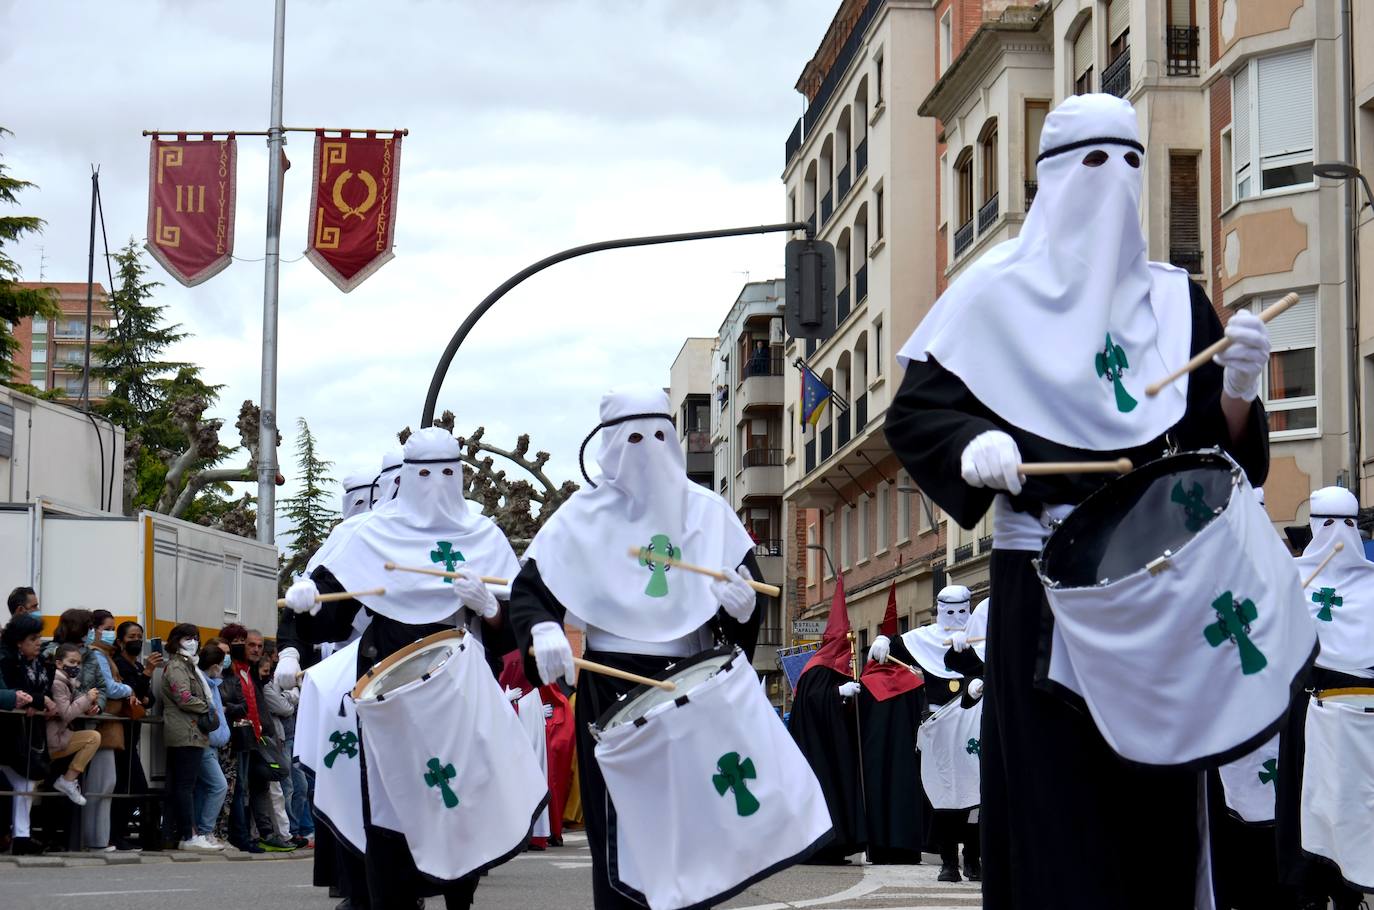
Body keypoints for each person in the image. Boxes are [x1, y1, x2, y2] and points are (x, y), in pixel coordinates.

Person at [883, 93, 1270, 909]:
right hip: (1046, 590)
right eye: (1093, 162)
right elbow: (917, 412)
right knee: (1056, 804)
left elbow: (1214, 453)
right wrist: (969, 444)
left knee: (1157, 795)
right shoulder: (992, 297)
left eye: (1130, 161)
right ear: (1054, 177)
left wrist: (1238, 388)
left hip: (1159, 587)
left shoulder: (1174, 302)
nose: (1114, 183)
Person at [510, 386, 766, 909]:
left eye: (657, 434)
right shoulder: (581, 517)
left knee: (690, 819)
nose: (646, 449)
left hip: (688, 677)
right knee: (619, 825)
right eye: (632, 437)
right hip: (609, 680)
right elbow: (530, 592)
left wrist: (743, 609)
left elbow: (746, 588)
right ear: (607, 445)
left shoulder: (707, 512)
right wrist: (542, 629)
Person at [284, 426, 522, 910]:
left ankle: (461, 897)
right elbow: (334, 611)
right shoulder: (374, 535)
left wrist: (491, 609)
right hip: (386, 680)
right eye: (425, 473)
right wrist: (306, 606)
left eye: (447, 472)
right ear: (409, 477)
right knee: (390, 803)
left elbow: (516, 623)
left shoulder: (482, 534)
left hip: (459, 682)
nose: (436, 483)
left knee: (460, 796)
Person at [1277, 486, 1373, 910]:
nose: (1339, 535)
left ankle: (1347, 889)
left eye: (1346, 524)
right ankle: (1310, 891)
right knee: (1307, 806)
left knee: (1350, 809)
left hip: (1359, 719)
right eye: (1329, 523)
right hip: (1303, 714)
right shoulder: (1290, 579)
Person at [881, 586, 984, 882]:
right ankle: (948, 860)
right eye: (949, 612)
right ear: (939, 610)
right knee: (943, 795)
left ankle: (973, 858)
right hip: (939, 726)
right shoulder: (924, 639)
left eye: (961, 611)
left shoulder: (980, 638)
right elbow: (895, 643)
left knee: (976, 795)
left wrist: (979, 679)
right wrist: (881, 640)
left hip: (973, 722)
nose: (955, 618)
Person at [787, 575, 865, 865]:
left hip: (833, 748)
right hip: (817, 752)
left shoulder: (830, 670)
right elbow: (812, 701)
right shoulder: (817, 669)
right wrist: (838, 693)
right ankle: (821, 847)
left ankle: (838, 845)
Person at [855, 577, 926, 865]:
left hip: (876, 759)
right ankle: (906, 847)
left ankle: (880, 847)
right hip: (905, 757)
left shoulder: (866, 682)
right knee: (903, 797)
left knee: (880, 797)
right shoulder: (913, 682)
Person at [159, 623, 218, 852]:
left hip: (192, 732)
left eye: (195, 637)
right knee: (185, 786)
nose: (193, 641)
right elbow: (183, 698)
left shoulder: (189, 666)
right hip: (184, 732)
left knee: (185, 786)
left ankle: (188, 833)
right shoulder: (177, 667)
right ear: (176, 640)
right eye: (187, 637)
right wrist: (207, 707)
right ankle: (189, 835)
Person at [79, 609, 134, 851]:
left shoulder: (104, 654)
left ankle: (99, 838)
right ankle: (95, 839)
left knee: (105, 782)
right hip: (102, 723)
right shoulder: (97, 654)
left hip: (108, 724)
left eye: (113, 629)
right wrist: (128, 689)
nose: (111, 633)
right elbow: (108, 687)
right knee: (102, 783)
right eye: (108, 628)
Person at [0, 613, 54, 854]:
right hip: (9, 730)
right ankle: (16, 835)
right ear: (19, 641)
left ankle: (21, 835)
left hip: (22, 733)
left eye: (39, 638)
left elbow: (34, 693)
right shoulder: (9, 660)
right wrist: (37, 700)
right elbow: (20, 692)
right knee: (19, 781)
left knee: (25, 780)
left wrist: (37, 700)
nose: (38, 642)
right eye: (33, 638)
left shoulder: (38, 663)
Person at [218, 623, 271, 853]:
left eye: (258, 646)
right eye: (245, 643)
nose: (253, 649)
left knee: (244, 787)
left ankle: (245, 834)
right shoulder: (231, 671)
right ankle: (239, 836)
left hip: (250, 735)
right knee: (236, 787)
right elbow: (229, 703)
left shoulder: (249, 671)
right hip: (234, 735)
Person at [110, 621, 159, 850]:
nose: (136, 640)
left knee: (131, 787)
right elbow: (133, 692)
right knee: (129, 786)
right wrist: (148, 674)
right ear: (120, 641)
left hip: (133, 735)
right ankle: (116, 835)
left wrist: (144, 686)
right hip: (121, 735)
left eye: (140, 635)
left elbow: (148, 697)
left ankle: (120, 835)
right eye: (131, 636)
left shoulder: (137, 666)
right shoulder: (119, 665)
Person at [46, 643, 102, 807]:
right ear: (58, 663)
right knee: (93, 738)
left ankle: (68, 780)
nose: (76, 666)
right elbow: (67, 713)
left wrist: (89, 707)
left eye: (78, 663)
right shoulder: (58, 683)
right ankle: (68, 780)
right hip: (52, 741)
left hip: (58, 737)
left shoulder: (68, 681)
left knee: (93, 737)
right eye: (72, 662)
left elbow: (75, 704)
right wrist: (87, 698)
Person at [193, 639, 231, 849]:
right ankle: (206, 831)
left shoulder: (213, 684)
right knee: (219, 786)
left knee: (203, 789)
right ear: (214, 665)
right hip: (206, 743)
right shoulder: (205, 684)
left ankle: (200, 832)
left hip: (212, 744)